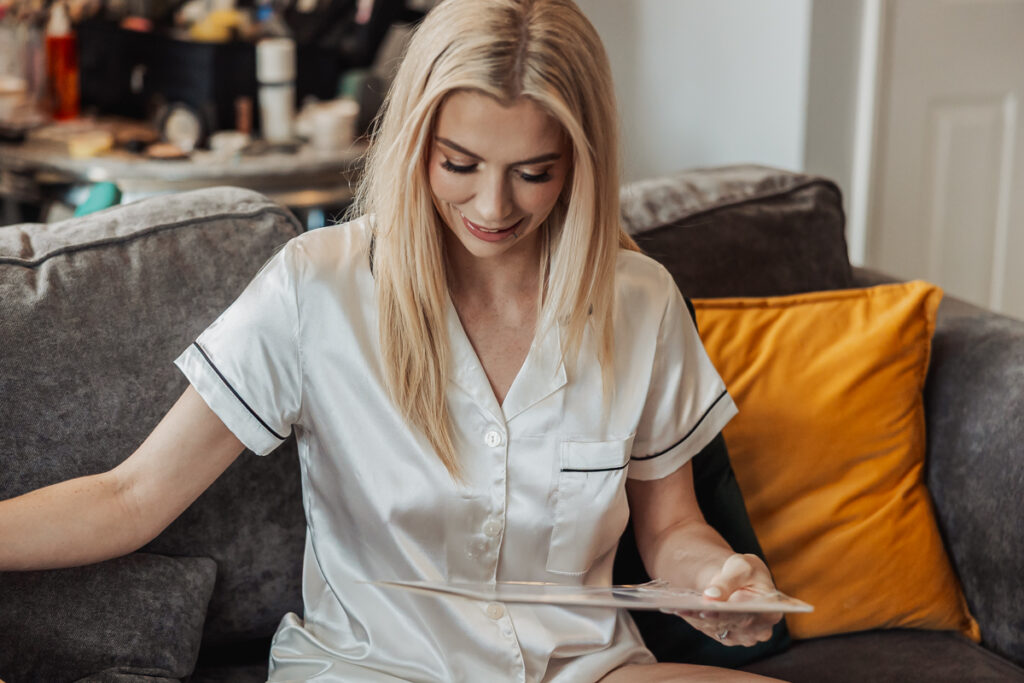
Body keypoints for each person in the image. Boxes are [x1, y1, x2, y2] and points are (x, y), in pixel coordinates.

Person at [0, 0, 787, 680]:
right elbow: (130, 496)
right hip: (374, 667)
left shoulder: (638, 299)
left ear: (582, 162)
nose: (493, 204)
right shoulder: (319, 286)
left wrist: (720, 580)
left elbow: (671, 529)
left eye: (534, 172)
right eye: (460, 163)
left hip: (584, 666)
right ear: (416, 142)